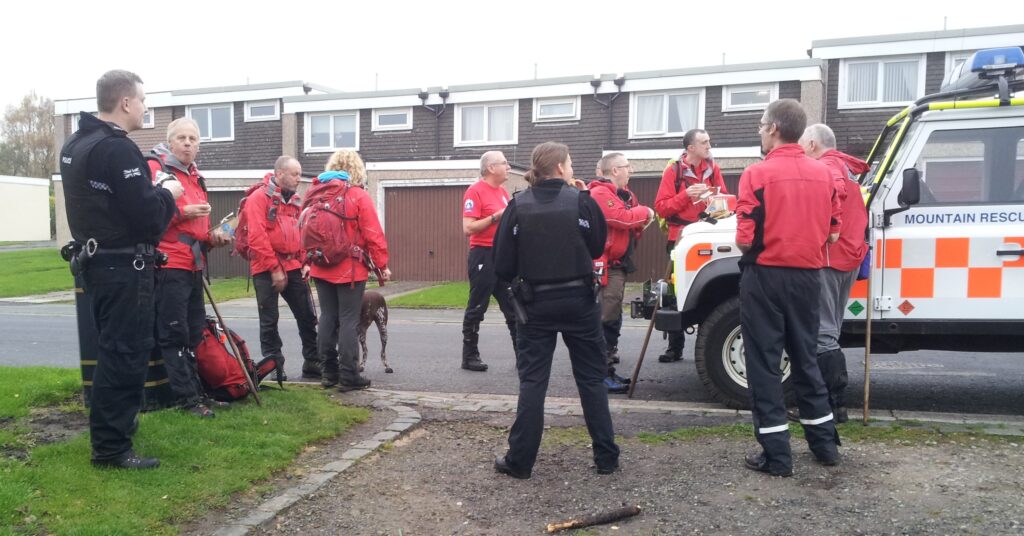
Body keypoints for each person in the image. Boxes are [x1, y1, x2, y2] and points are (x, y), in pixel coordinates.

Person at [60, 70, 183, 468]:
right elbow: (148, 218)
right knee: (125, 354)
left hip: (95, 262)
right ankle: (112, 449)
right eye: (144, 100)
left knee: (112, 351)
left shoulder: (76, 143)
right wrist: (167, 192)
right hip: (123, 265)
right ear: (126, 102)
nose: (146, 108)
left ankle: (112, 435)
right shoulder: (118, 148)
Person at [492, 141, 619, 479]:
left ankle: (520, 462)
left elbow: (502, 264)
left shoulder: (517, 206)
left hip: (535, 306)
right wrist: (583, 201)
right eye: (572, 163)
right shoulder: (581, 202)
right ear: (561, 168)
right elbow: (596, 246)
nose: (574, 169)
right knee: (592, 380)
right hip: (579, 301)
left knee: (533, 382)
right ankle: (606, 457)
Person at [736, 99, 842, 477]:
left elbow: (745, 241)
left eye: (762, 126)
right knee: (806, 359)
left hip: (765, 277)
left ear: (774, 128)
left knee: (765, 366)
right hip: (808, 278)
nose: (761, 132)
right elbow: (833, 232)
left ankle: (777, 456)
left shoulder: (756, 174)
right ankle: (825, 446)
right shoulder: (825, 174)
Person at [148, 118, 231, 418]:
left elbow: (198, 229)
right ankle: (186, 400)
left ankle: (199, 393)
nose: (187, 143)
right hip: (169, 263)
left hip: (194, 264)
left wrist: (214, 237)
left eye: (193, 139)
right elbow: (149, 215)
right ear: (170, 143)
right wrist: (183, 212)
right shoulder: (158, 171)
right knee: (174, 333)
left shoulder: (196, 177)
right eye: (181, 138)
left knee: (195, 331)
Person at [798, 123, 870, 424]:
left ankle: (830, 406)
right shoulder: (847, 167)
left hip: (829, 257)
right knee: (831, 330)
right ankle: (832, 404)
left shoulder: (827, 168)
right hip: (849, 257)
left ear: (813, 143)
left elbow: (833, 196)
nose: (800, 149)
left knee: (823, 333)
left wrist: (828, 229)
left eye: (802, 144)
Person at [308, 150, 391, 391]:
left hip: (320, 265)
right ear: (357, 169)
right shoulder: (357, 196)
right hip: (350, 268)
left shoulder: (315, 195)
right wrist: (382, 265)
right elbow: (373, 233)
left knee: (327, 317)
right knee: (348, 319)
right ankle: (348, 375)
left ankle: (328, 372)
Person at [242, 156, 320, 380]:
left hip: (293, 264)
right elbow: (256, 236)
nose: (299, 178)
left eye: (299, 174)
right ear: (279, 174)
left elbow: (301, 232)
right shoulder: (258, 198)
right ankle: (274, 366)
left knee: (306, 314)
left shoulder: (295, 200)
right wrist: (274, 268)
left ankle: (312, 362)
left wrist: (305, 261)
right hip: (265, 267)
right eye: (295, 174)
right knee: (269, 320)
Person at [653, 129, 728, 363]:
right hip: (681, 238)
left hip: (708, 234)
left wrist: (713, 201)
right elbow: (662, 208)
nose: (709, 145)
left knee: (710, 291)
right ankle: (675, 348)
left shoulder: (713, 169)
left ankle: (709, 348)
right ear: (690, 148)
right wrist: (686, 194)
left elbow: (725, 201)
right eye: (704, 142)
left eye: (709, 140)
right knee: (676, 293)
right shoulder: (673, 171)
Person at [589, 153, 655, 393]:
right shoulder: (599, 193)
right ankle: (601, 374)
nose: (631, 170)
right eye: (627, 166)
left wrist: (638, 217)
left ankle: (608, 368)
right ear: (614, 170)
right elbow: (621, 218)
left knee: (614, 314)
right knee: (605, 317)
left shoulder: (623, 194)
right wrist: (646, 212)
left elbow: (630, 221)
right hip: (606, 266)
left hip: (618, 264)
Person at [460, 151, 518, 372]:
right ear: (491, 168)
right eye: (504, 163)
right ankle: (469, 356)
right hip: (482, 255)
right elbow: (468, 228)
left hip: (502, 255)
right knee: (477, 306)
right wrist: (496, 216)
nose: (509, 167)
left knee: (513, 307)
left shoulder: (503, 192)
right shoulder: (475, 191)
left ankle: (522, 356)